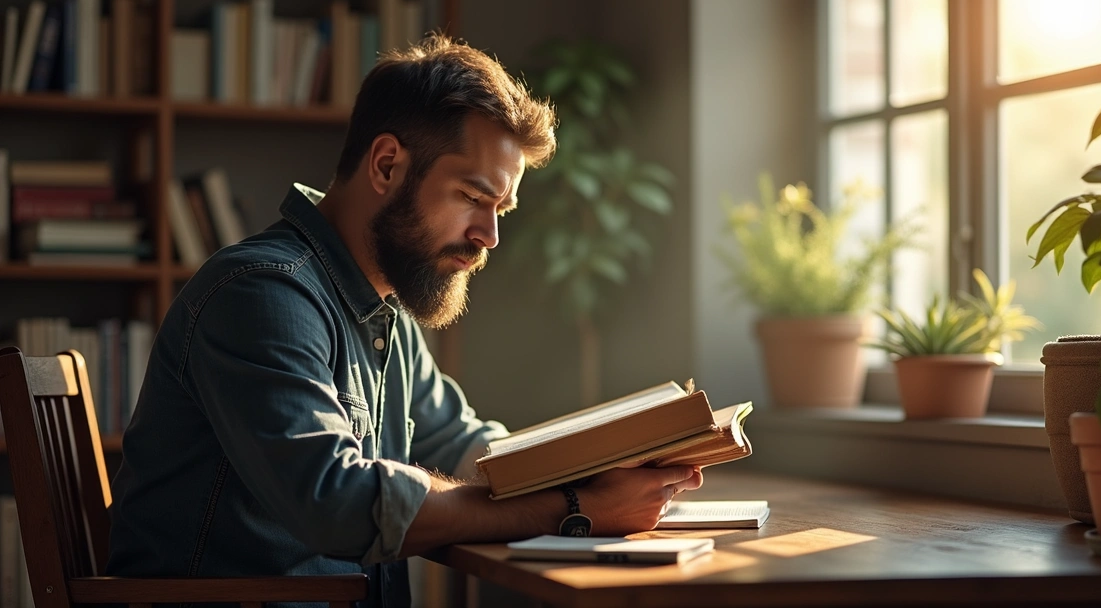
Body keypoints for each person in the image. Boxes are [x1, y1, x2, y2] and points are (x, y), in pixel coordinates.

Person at [106, 34, 703, 606]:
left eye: (501, 208)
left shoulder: (381, 307)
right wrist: (575, 508)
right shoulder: (263, 295)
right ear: (387, 165)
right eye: (473, 197)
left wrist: (605, 467)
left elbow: (466, 446)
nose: (489, 236)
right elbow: (336, 501)